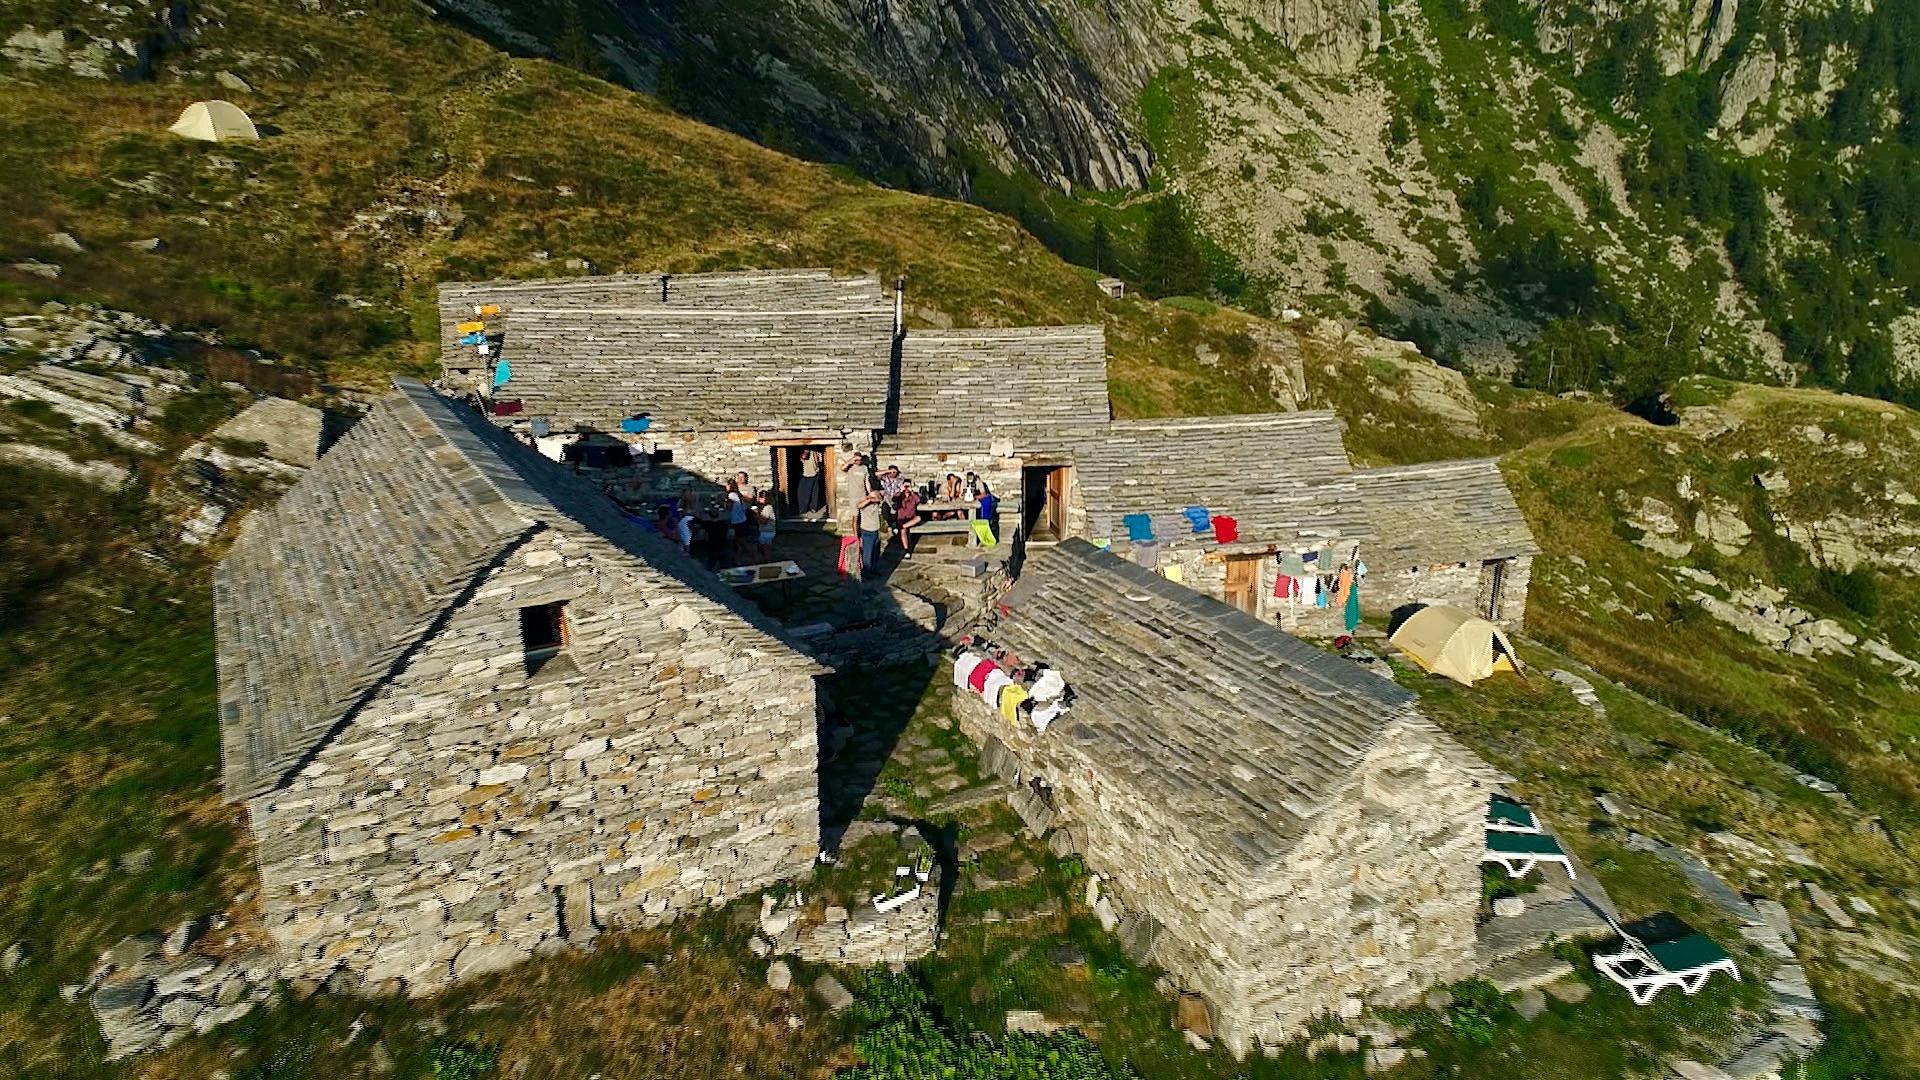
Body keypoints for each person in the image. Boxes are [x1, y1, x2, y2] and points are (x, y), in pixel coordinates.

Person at [856, 491, 885, 574]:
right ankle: (866, 572)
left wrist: (876, 498)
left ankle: (874, 570)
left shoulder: (876, 504)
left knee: (875, 553)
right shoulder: (864, 506)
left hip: (875, 531)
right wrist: (869, 499)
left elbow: (881, 497)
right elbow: (859, 506)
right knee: (867, 554)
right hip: (867, 531)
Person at [894, 482, 923, 559]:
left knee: (918, 518)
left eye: (908, 486)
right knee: (903, 531)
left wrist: (912, 492)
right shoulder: (899, 496)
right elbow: (894, 500)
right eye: (905, 486)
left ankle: (900, 527)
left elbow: (919, 500)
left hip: (911, 518)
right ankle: (907, 550)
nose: (906, 488)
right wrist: (901, 491)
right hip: (901, 518)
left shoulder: (913, 496)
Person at [725, 479, 751, 561]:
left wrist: (725, 503)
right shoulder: (738, 495)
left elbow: (728, 508)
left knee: (742, 541)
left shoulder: (731, 496)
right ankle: (737, 559)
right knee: (738, 542)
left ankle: (753, 557)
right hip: (742, 519)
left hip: (737, 521)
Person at [797, 449, 824, 517]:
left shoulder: (808, 451)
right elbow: (820, 460)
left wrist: (805, 454)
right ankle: (813, 508)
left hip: (808, 474)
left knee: (802, 492)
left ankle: (804, 509)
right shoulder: (816, 451)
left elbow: (804, 457)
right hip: (815, 472)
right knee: (814, 491)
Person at [754, 490, 777, 561]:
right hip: (764, 531)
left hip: (767, 532)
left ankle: (768, 562)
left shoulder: (768, 508)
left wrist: (756, 513)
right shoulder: (763, 507)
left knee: (765, 549)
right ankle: (765, 560)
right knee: (761, 548)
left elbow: (764, 521)